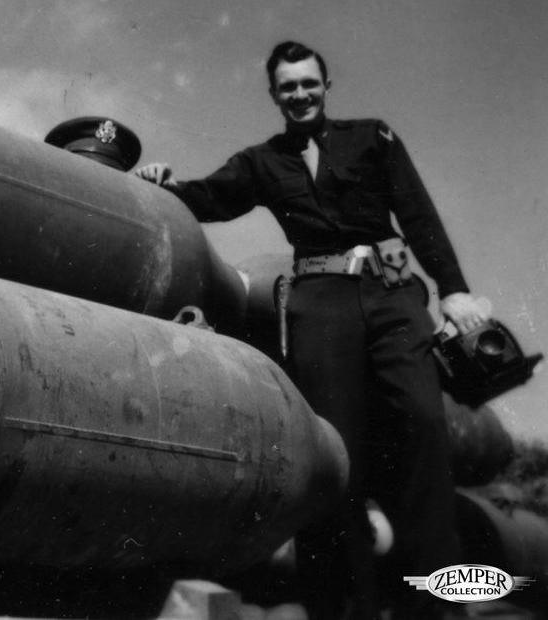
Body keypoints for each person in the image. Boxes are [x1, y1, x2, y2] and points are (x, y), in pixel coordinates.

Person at [135, 41, 489, 618]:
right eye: (288, 87)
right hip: (319, 306)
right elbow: (209, 198)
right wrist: (163, 186)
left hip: (392, 295)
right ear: (274, 95)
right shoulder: (261, 161)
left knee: (425, 426)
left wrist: (453, 289)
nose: (300, 94)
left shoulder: (372, 136)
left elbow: (417, 214)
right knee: (333, 455)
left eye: (309, 83)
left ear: (326, 87)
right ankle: (340, 606)